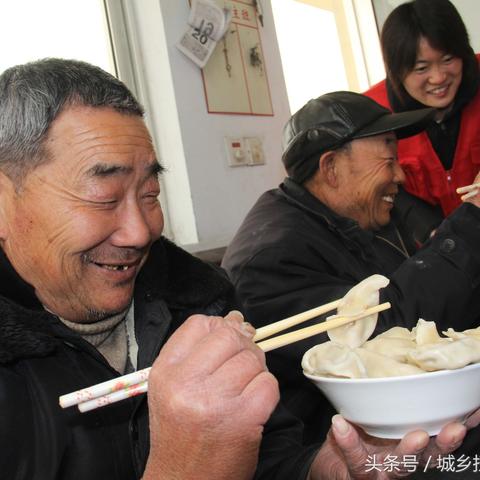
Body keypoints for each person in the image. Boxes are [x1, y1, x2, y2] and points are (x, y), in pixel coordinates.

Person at [0, 59, 465, 480]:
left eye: (149, 195)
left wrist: (323, 470)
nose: (139, 232)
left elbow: (271, 456)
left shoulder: (196, 300)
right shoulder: (275, 249)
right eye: (103, 196)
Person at [222, 91, 480, 467]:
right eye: (389, 160)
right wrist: (471, 220)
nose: (399, 175)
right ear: (331, 168)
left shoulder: (364, 214)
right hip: (345, 454)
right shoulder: (272, 257)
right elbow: (379, 340)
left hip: (424, 418)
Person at [365, 0, 480, 244]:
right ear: (396, 70)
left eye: (448, 59)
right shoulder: (371, 114)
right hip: (429, 249)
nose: (439, 77)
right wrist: (428, 229)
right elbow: (374, 188)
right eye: (421, 68)